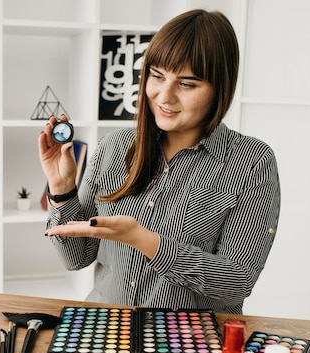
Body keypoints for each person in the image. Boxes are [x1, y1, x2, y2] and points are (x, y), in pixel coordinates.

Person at [38, 9, 280, 314]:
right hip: (107, 330)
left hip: (189, 344)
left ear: (220, 88)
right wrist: (62, 190)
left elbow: (237, 281)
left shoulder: (252, 162)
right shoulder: (114, 147)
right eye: (157, 76)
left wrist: (147, 242)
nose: (164, 96)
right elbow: (76, 257)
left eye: (187, 84)